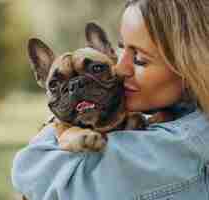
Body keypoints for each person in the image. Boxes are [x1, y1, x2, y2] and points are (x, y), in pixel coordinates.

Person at [12, 0, 209, 199]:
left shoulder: (181, 144)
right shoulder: (170, 117)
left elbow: (29, 172)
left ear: (190, 66)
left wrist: (57, 129)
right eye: (122, 49)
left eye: (140, 59)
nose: (119, 69)